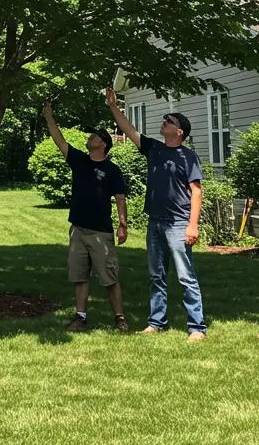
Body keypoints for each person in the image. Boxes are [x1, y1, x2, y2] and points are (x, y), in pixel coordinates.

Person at [104, 87, 207, 340]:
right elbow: (129, 130)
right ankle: (156, 322)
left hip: (178, 223)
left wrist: (192, 226)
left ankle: (197, 328)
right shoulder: (154, 149)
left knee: (186, 276)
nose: (164, 123)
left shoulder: (188, 157)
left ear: (179, 132)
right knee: (156, 275)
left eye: (169, 121)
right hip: (155, 222)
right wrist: (113, 107)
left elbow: (196, 192)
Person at [43, 99, 129, 332]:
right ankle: (80, 317)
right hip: (78, 229)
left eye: (95, 137)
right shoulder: (79, 161)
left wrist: (123, 225)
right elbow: (59, 140)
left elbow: (120, 198)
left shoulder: (112, 170)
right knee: (80, 275)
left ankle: (119, 317)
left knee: (109, 277)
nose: (90, 138)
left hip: (101, 231)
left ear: (103, 144)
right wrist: (49, 116)